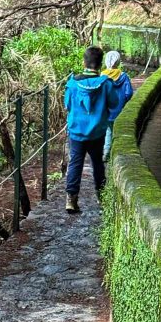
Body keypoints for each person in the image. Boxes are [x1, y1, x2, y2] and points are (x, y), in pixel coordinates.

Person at [63, 45, 118, 214]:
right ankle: (102, 198)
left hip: (76, 132)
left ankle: (71, 200)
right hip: (97, 133)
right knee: (97, 164)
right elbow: (114, 103)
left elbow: (67, 105)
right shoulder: (106, 84)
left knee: (75, 163)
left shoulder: (72, 83)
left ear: (84, 62)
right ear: (100, 64)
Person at [102, 50, 134, 161]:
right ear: (118, 61)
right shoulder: (124, 76)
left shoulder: (102, 76)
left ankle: (106, 152)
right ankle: (115, 154)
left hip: (105, 111)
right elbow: (129, 93)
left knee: (108, 131)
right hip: (119, 110)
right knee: (117, 131)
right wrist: (124, 102)